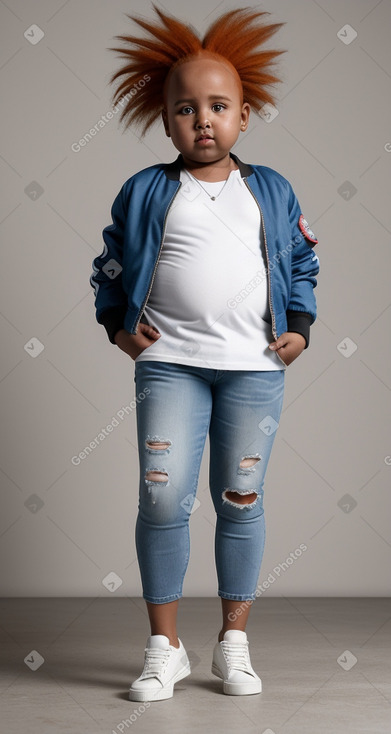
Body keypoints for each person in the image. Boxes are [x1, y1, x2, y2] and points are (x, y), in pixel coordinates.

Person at [90, 4, 320, 702]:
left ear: (244, 116)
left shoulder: (271, 191)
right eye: (185, 109)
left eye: (218, 106)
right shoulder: (146, 191)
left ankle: (233, 645)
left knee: (239, 498)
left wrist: (301, 326)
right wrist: (116, 325)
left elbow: (303, 264)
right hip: (170, 365)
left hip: (254, 369)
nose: (203, 120)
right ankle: (164, 649)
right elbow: (107, 266)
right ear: (165, 121)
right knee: (162, 498)